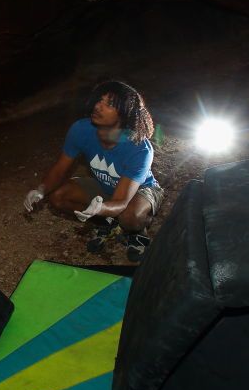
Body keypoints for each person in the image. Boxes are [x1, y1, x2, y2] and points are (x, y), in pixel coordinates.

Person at [23, 80, 163, 263]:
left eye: (109, 104)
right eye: (99, 100)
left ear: (125, 113)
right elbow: (59, 169)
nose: (98, 106)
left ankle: (137, 234)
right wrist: (40, 190)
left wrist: (102, 208)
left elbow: (121, 201)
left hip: (140, 190)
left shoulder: (139, 148)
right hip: (105, 184)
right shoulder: (81, 129)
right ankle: (108, 223)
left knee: (130, 216)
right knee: (58, 197)